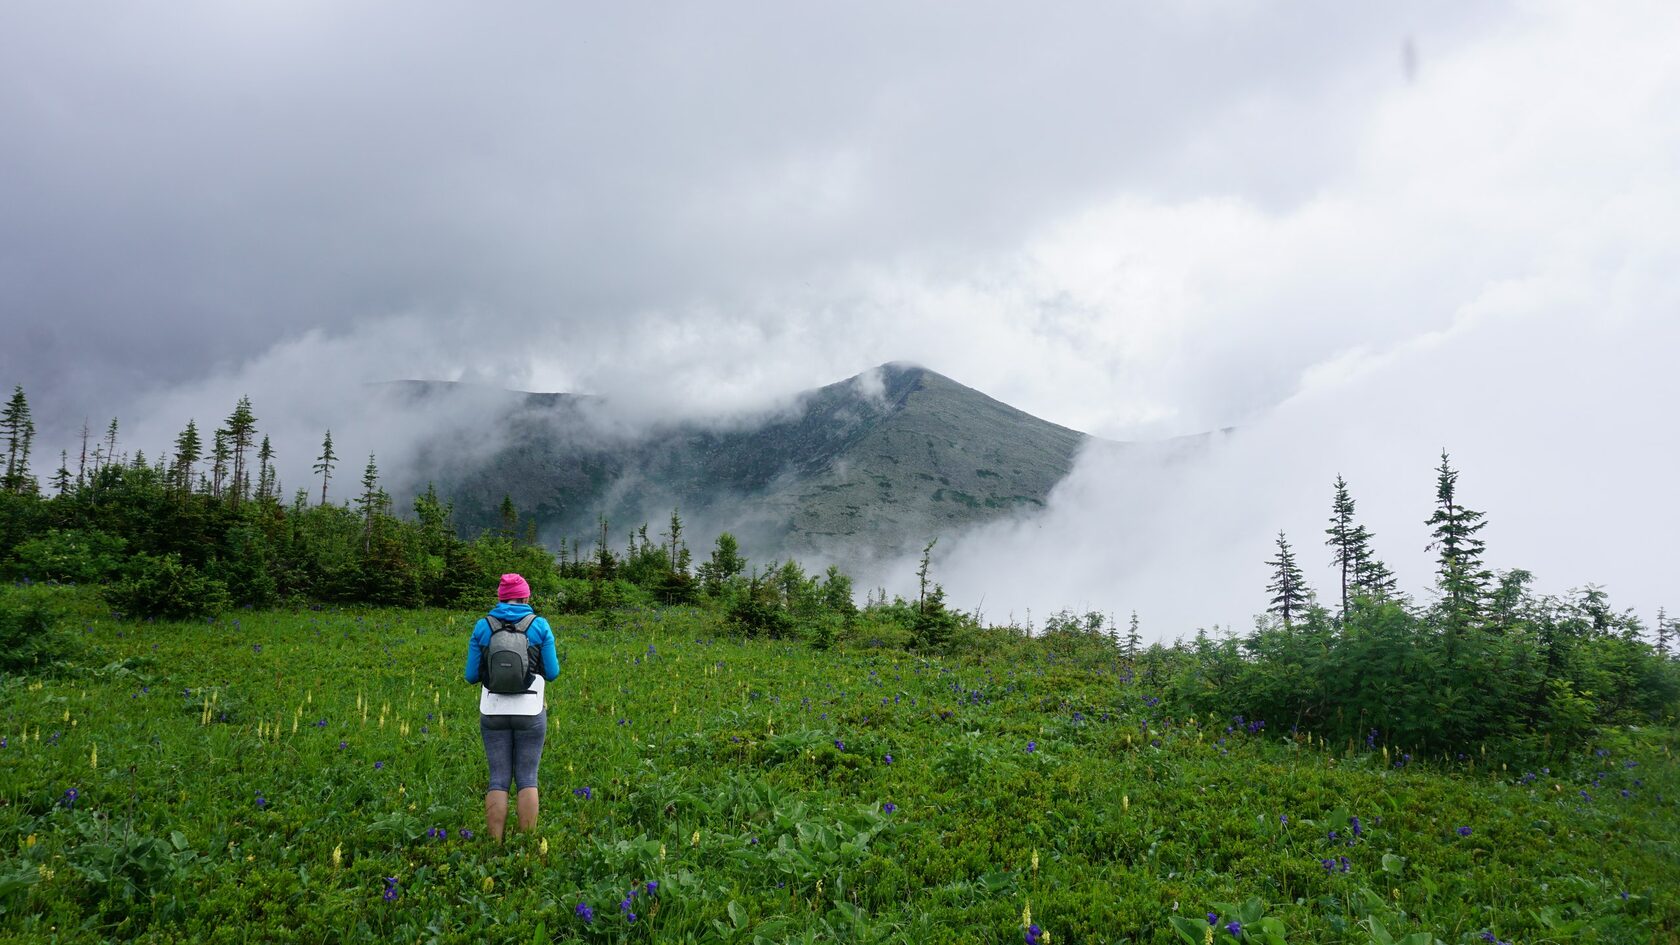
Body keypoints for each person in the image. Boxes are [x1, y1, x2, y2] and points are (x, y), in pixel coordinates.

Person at [464, 572, 560, 840]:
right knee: (528, 778)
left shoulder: (482, 626)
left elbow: (471, 676)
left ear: (500, 597)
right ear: (526, 596)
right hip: (530, 710)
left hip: (493, 710)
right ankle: (527, 845)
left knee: (498, 779)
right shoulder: (540, 626)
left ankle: (495, 844)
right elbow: (552, 673)